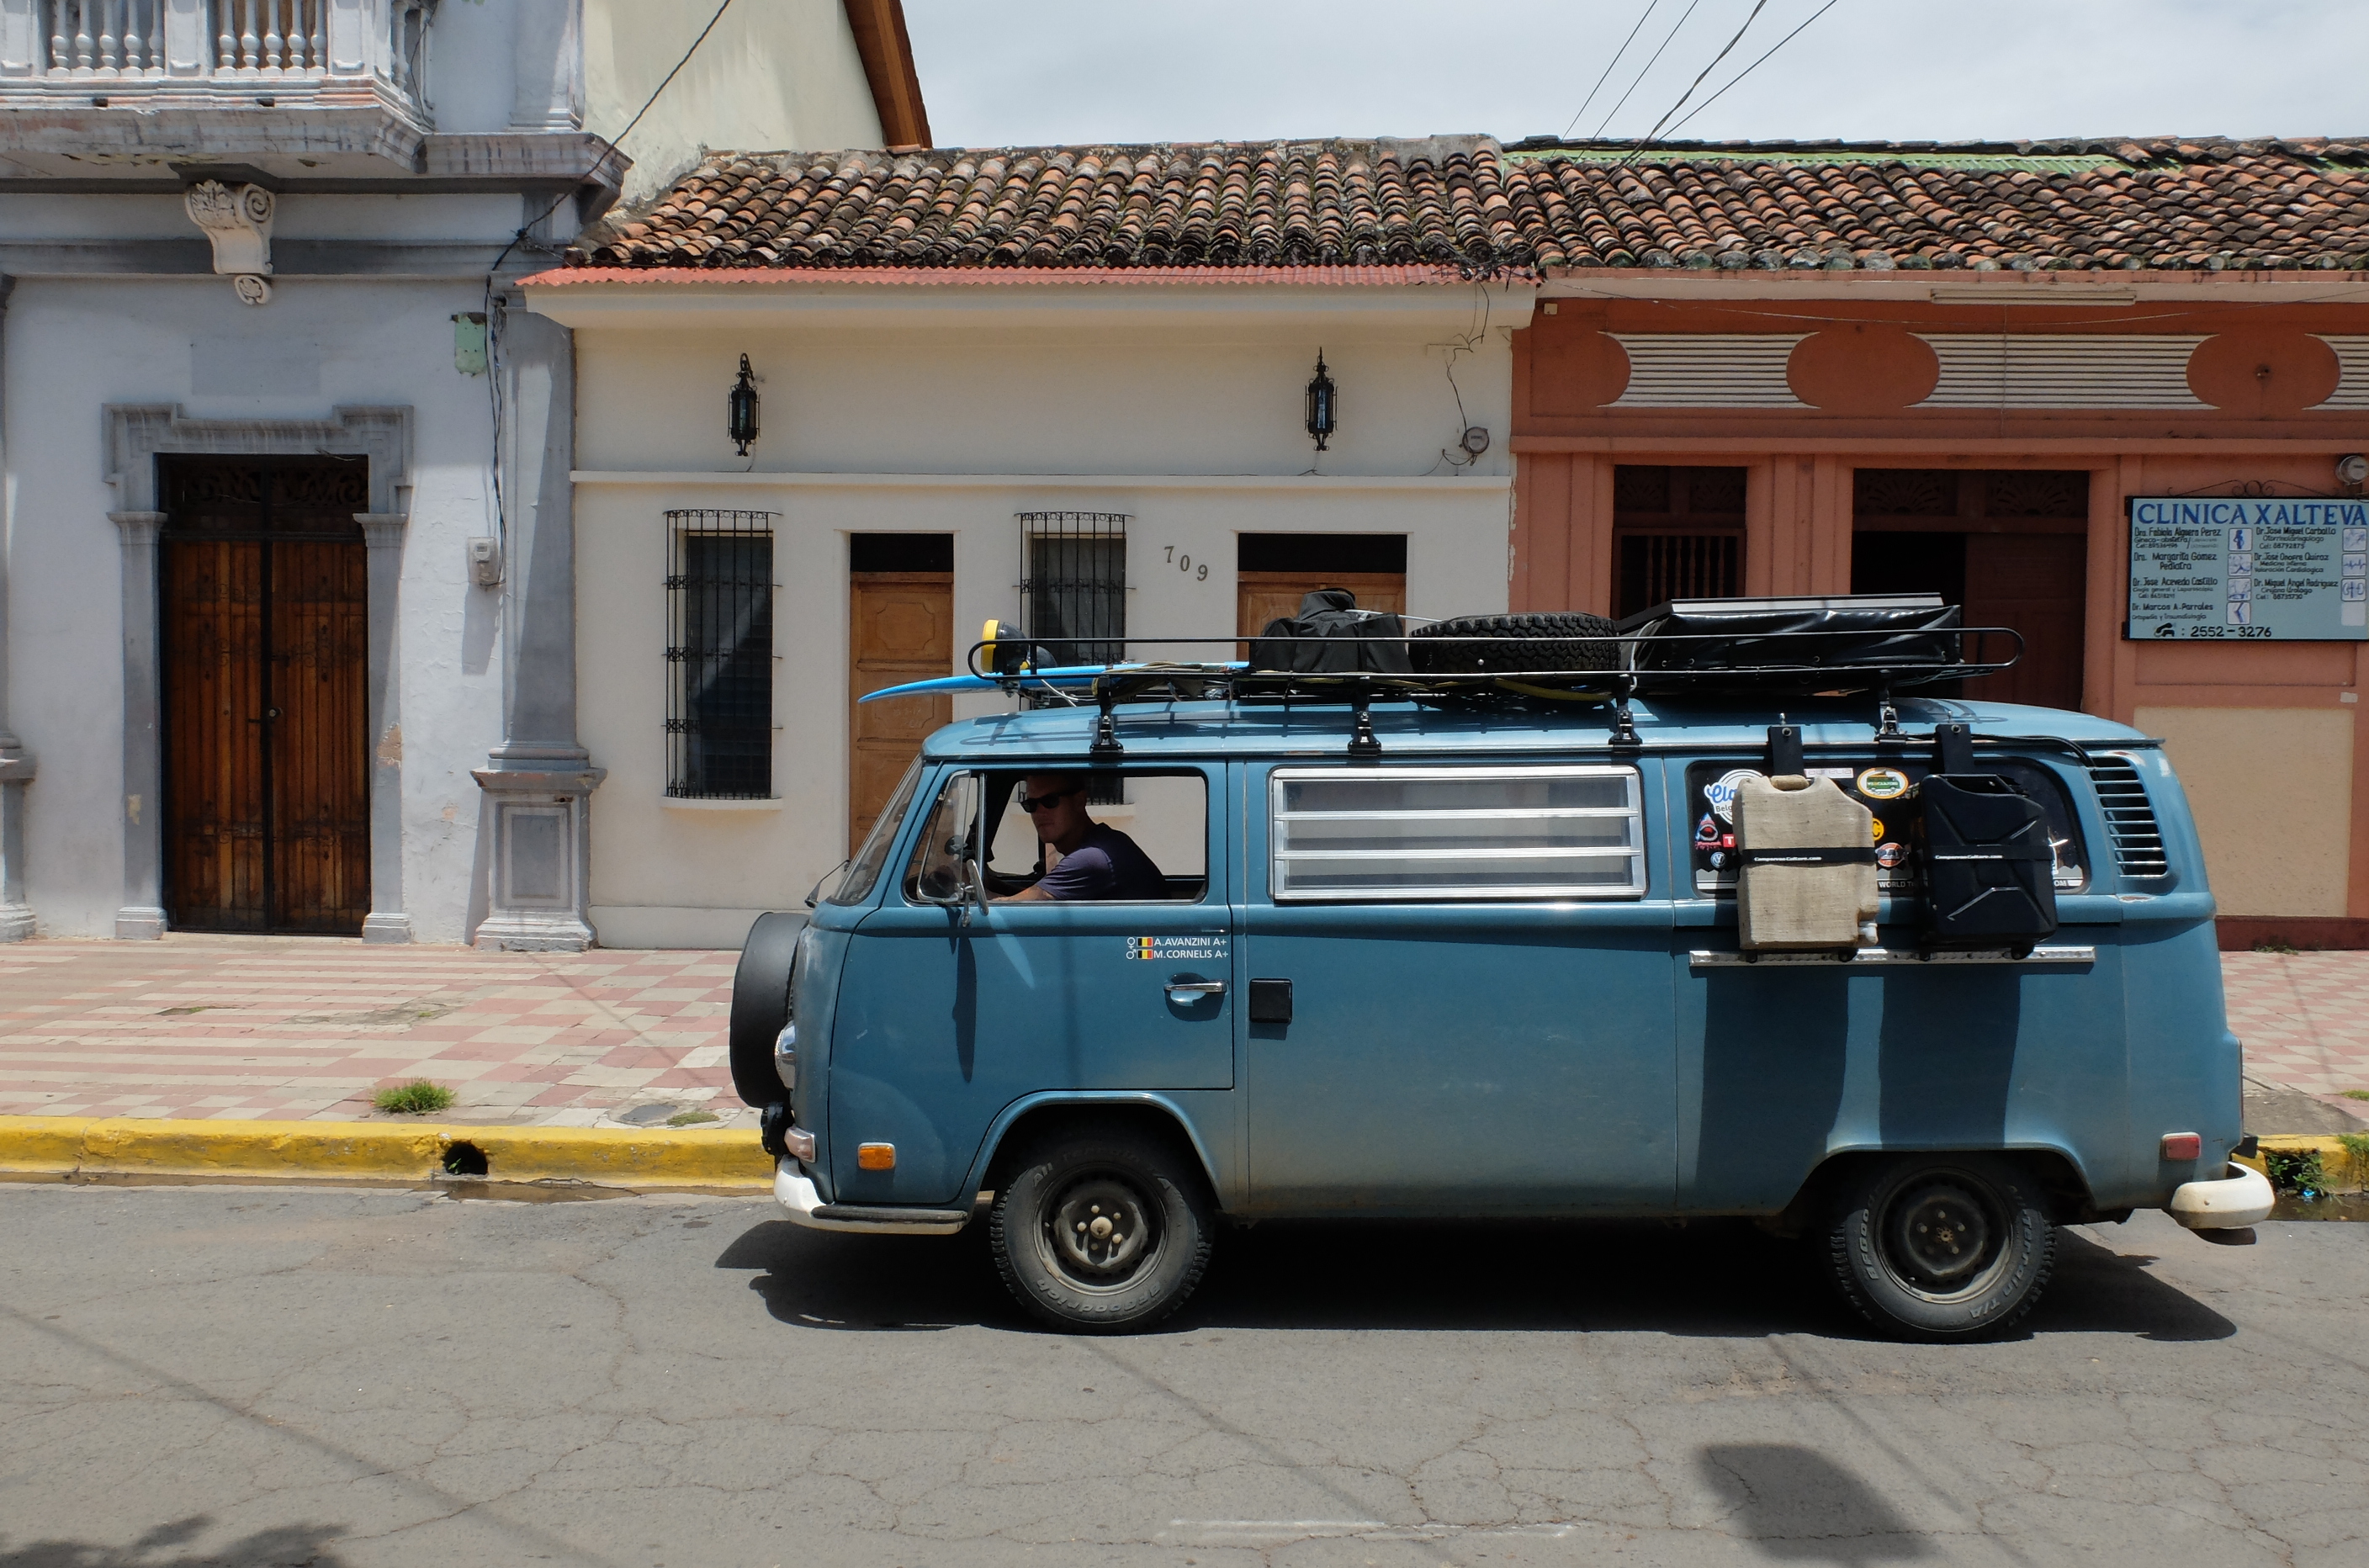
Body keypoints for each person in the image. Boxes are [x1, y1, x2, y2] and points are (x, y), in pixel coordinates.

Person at [996, 771, 1168, 902]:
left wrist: (984, 897)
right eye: (1031, 804)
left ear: (1079, 801)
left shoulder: (1091, 858)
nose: (1039, 812)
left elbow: (1013, 907)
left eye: (1050, 801)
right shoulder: (1105, 842)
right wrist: (993, 884)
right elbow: (1032, 897)